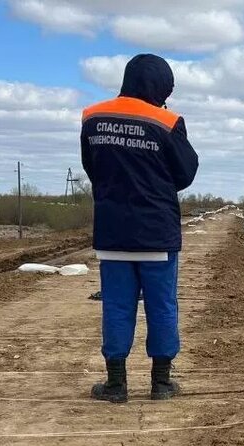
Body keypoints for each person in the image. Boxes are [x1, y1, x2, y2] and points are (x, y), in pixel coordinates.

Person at [80, 53, 199, 403]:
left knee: (116, 307)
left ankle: (116, 385)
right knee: (162, 306)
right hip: (156, 234)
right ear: (162, 85)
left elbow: (92, 167)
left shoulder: (93, 117)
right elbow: (186, 172)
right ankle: (161, 383)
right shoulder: (167, 121)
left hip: (112, 233)